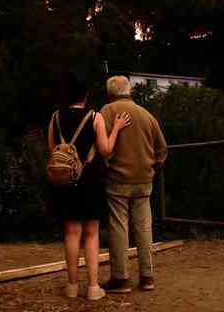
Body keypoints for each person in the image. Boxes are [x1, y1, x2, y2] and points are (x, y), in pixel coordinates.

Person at [47, 74, 131, 300]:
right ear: (86, 95)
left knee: (71, 232)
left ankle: (72, 286)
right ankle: (93, 287)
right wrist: (116, 129)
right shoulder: (95, 117)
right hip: (90, 180)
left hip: (65, 182)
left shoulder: (55, 118)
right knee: (92, 233)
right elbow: (105, 150)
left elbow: (54, 151)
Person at [100, 75, 167, 293]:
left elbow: (101, 147)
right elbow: (162, 150)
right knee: (144, 227)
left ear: (110, 93)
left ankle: (120, 279)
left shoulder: (107, 111)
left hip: (117, 180)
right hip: (144, 180)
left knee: (119, 227)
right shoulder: (147, 115)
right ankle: (147, 277)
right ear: (129, 90)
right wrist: (153, 169)